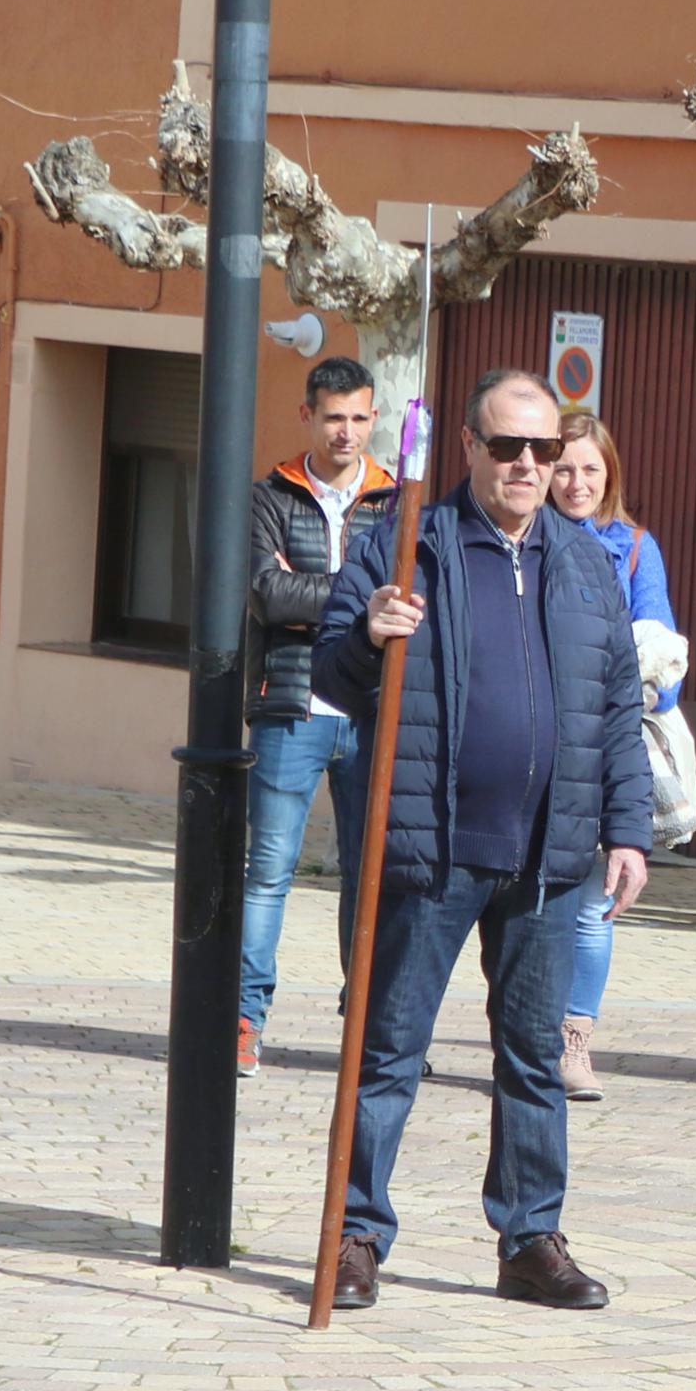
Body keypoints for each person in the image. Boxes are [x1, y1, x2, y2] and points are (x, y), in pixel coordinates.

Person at [310, 370, 651, 1314]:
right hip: (432, 844)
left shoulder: (585, 561)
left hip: (549, 854)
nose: (529, 466)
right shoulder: (406, 540)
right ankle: (354, 1235)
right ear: (468, 447)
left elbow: (617, 707)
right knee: (387, 1048)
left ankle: (530, 1237)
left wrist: (626, 827)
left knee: (532, 1056)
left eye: (544, 450)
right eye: (509, 448)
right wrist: (367, 634)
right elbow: (333, 671)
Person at [236, 356, 395, 1077]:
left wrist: (318, 594)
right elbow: (267, 595)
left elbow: (411, 597)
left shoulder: (397, 502)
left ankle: (368, 1028)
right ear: (308, 415)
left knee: (373, 876)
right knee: (268, 870)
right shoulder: (271, 495)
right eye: (335, 416)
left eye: (361, 417)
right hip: (290, 705)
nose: (348, 432)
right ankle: (243, 1019)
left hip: (372, 711)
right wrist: (362, 600)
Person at [545, 413, 677, 1104]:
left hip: (602, 742)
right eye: (564, 467)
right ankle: (526, 1027)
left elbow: (667, 662)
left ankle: (573, 1041)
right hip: (534, 739)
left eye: (590, 469)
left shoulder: (631, 548)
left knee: (596, 900)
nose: (576, 482)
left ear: (610, 474)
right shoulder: (525, 537)